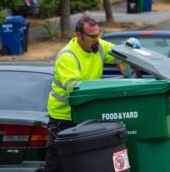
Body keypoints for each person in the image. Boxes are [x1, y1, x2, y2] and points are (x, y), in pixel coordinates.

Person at [44, 16, 116, 172]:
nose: (97, 39)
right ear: (78, 36)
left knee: (83, 163)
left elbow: (119, 53)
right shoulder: (67, 57)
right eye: (92, 36)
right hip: (63, 118)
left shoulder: (99, 46)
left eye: (99, 34)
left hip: (85, 114)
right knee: (57, 165)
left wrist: (130, 51)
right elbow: (75, 91)